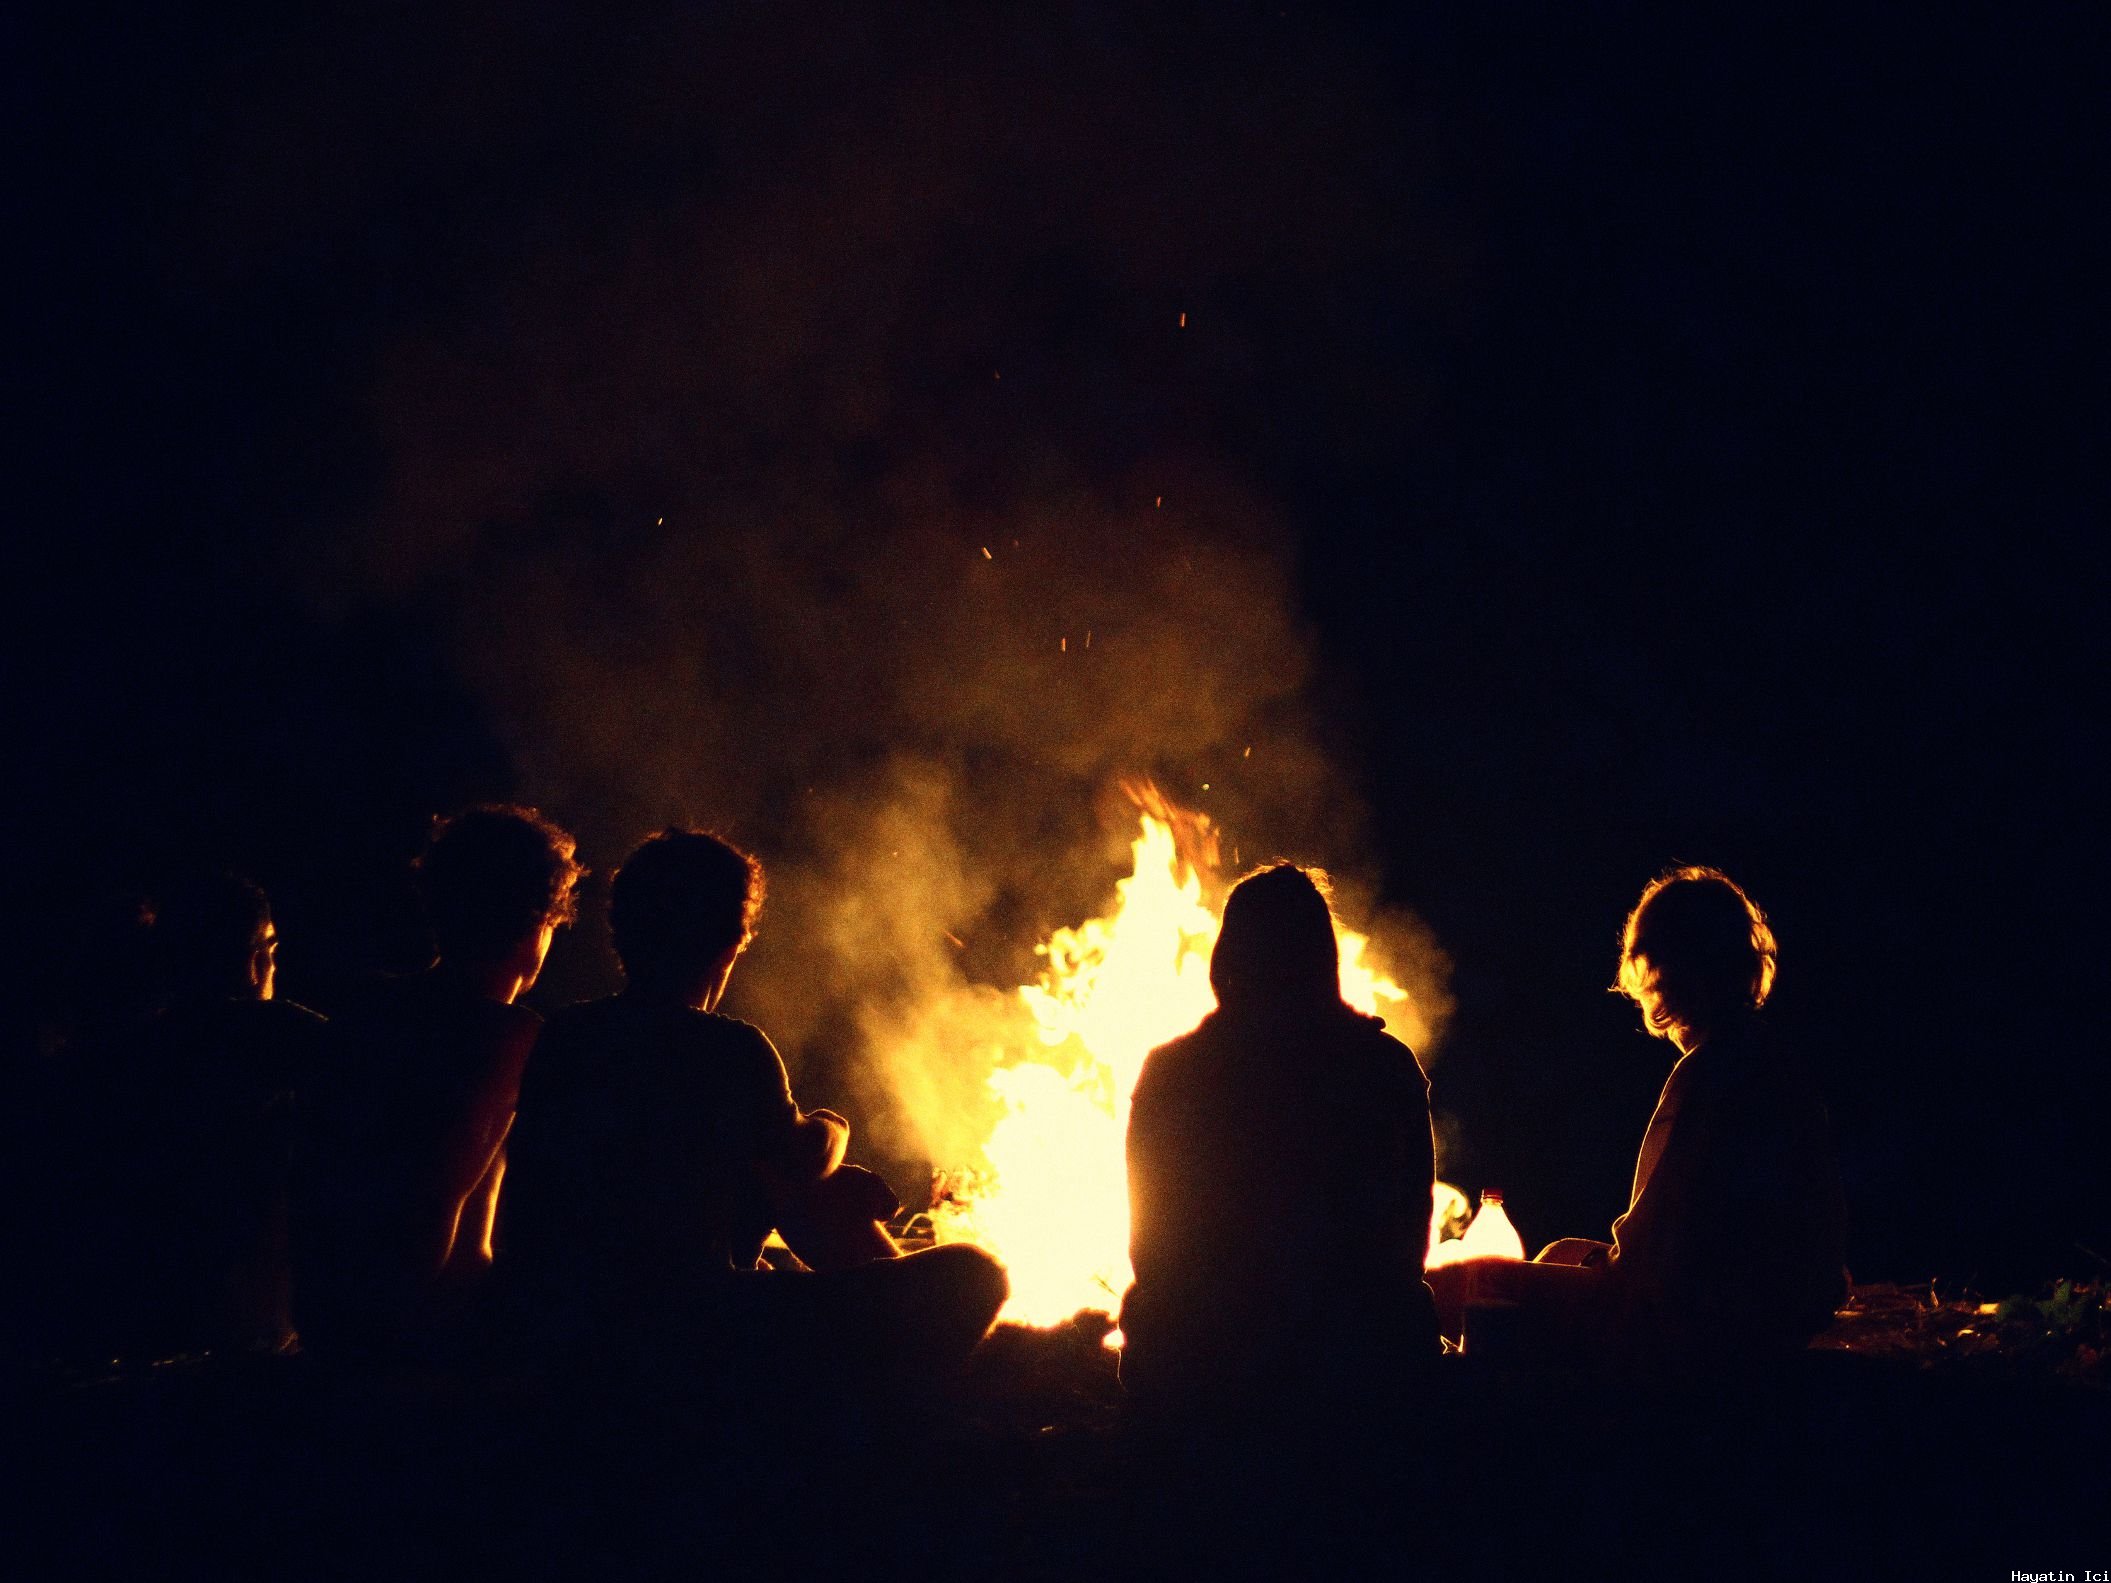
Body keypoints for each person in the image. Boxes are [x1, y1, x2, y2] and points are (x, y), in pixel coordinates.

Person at [496, 828, 1007, 1406]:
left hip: (554, 1336)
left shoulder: (562, 1037)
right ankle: (887, 1421)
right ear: (729, 947)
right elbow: (804, 1162)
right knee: (975, 1275)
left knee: (795, 1203)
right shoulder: (728, 1049)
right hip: (682, 1344)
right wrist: (832, 1126)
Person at [1426, 867, 1848, 1370]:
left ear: (1659, 969)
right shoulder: (1771, 1060)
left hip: (1700, 1326)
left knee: (1463, 1283)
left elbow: (1649, 1265)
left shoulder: (1709, 1074)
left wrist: (1583, 1275)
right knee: (1560, 1251)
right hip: (1774, 1308)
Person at [1119, 862, 1439, 1416]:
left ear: (1227, 960)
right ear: (1325, 960)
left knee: (1150, 1314)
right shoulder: (1386, 1068)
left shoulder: (1173, 1072)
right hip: (1359, 1369)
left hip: (1206, 1372)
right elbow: (1407, 1243)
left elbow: (1152, 1255)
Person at [298, 804, 582, 1360]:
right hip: (420, 1350)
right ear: (538, 923)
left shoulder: (365, 1013)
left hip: (324, 1326)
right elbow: (426, 1214)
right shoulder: (506, 1036)